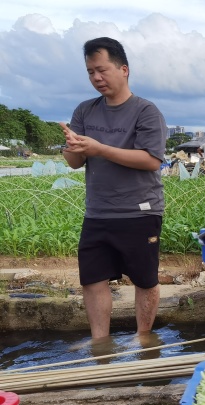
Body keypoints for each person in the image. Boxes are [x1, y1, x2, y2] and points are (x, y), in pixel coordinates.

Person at [60, 37, 168, 340]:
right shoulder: (85, 110)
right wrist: (73, 146)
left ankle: (143, 339)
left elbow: (150, 161)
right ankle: (100, 344)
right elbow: (74, 162)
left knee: (145, 280)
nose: (96, 78)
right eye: (90, 72)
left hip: (140, 211)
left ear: (124, 70)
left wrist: (98, 147)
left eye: (102, 70)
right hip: (98, 211)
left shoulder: (146, 111)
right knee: (93, 280)